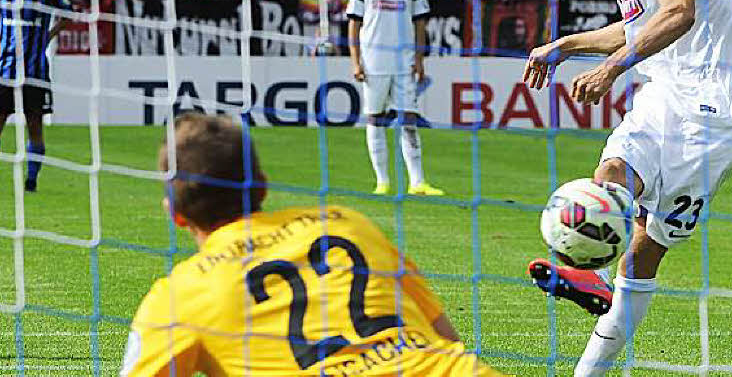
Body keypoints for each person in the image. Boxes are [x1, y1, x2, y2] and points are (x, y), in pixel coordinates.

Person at [521, 0, 732, 377]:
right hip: (663, 96)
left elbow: (677, 13)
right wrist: (565, 46)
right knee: (608, 174)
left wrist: (611, 70)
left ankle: (593, 334)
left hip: (714, 116)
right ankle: (587, 282)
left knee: (641, 255)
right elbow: (635, 26)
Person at [120, 112, 504, 377]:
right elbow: (446, 338)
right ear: (264, 185)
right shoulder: (347, 223)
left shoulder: (180, 295)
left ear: (175, 213)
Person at [346, 0, 443, 197]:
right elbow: (354, 26)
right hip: (373, 64)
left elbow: (420, 24)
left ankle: (417, 182)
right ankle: (382, 182)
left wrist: (420, 59)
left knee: (408, 120)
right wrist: (355, 61)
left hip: (404, 64)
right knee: (375, 120)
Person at [0, 0, 70, 192]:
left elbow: (68, 13)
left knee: (34, 126)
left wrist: (48, 37)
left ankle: (31, 180)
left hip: (34, 73)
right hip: (4, 72)